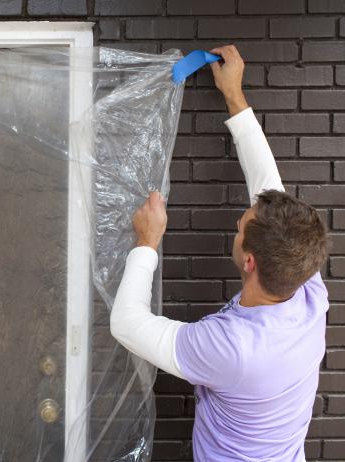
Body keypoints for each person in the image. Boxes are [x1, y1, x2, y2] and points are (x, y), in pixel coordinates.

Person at [110, 45, 330, 461]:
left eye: (241, 227)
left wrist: (147, 242)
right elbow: (269, 187)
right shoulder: (308, 295)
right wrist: (235, 96)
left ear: (249, 261)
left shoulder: (230, 347)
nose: (236, 222)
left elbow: (126, 324)